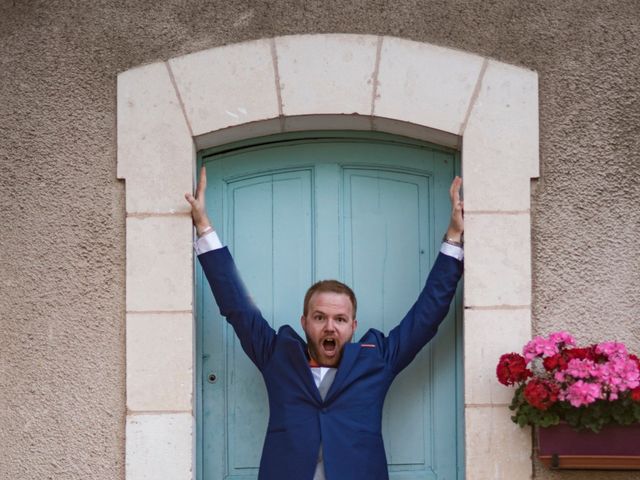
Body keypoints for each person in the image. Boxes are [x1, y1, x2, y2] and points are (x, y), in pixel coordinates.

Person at [186, 167, 464, 480]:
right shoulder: (277, 355)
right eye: (320, 317)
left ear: (354, 326)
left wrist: (453, 237)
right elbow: (237, 307)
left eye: (340, 319)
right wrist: (204, 227)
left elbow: (426, 316)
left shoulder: (378, 359)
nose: (330, 327)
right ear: (304, 322)